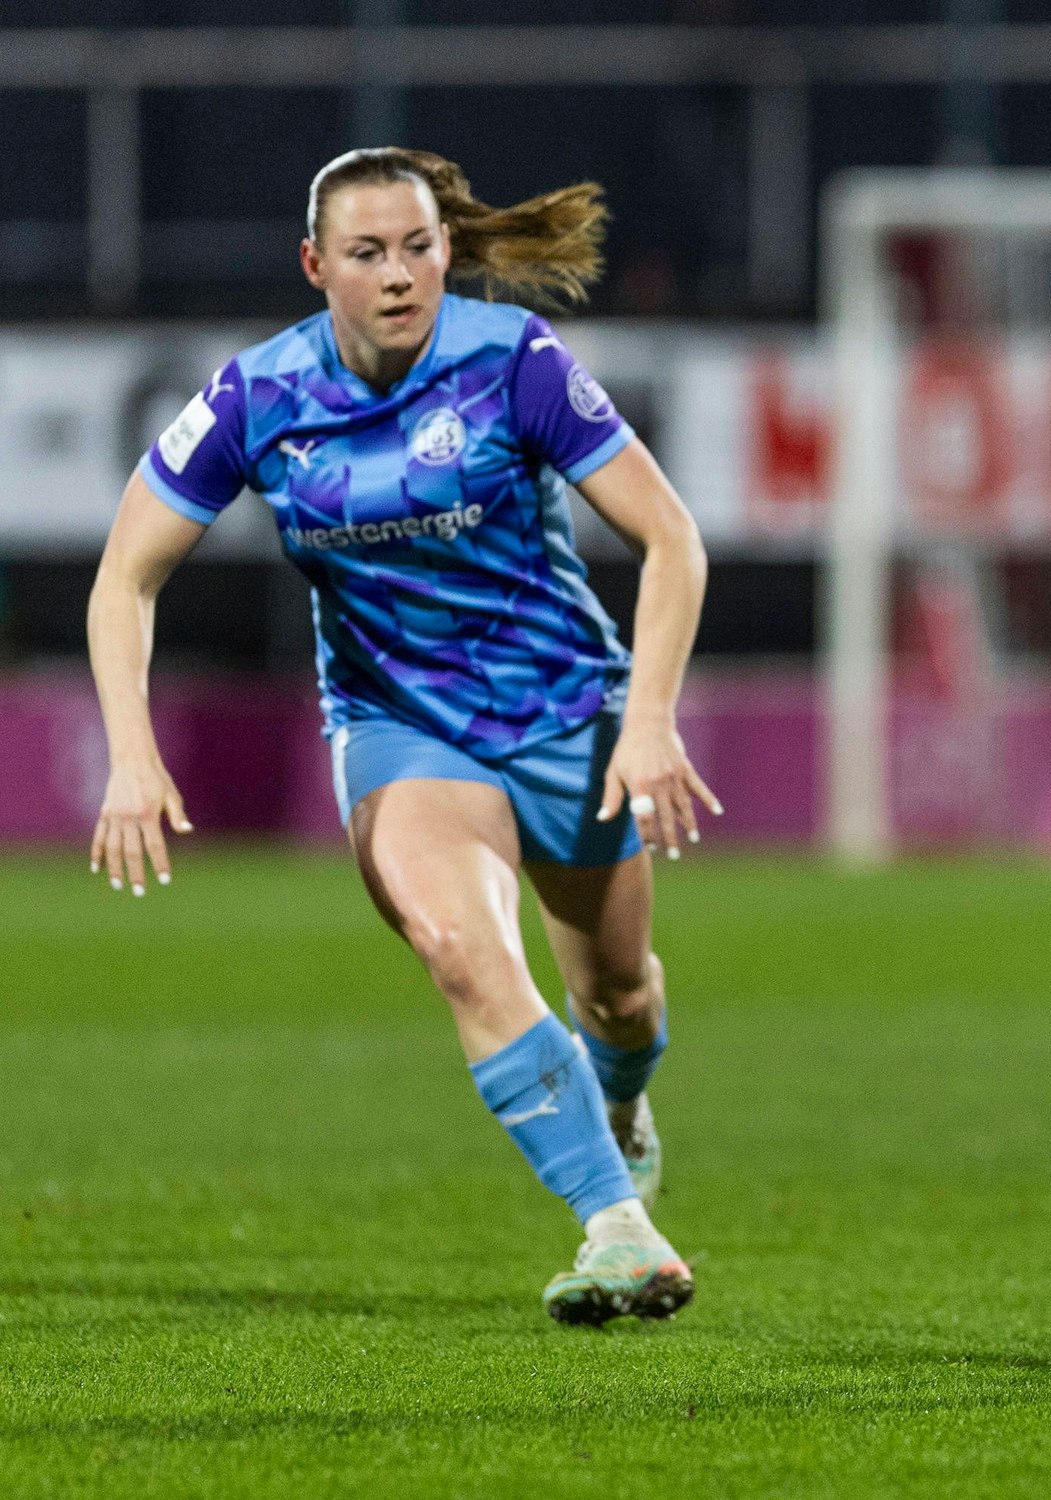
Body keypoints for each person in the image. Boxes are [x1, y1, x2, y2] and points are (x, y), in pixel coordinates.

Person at [86, 148, 721, 1326]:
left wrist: (646, 721)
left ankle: (622, 1105)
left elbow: (670, 538)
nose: (397, 275)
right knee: (458, 947)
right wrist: (131, 752)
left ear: (444, 252)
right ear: (314, 265)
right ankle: (617, 1228)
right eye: (367, 253)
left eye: (418, 248)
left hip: (563, 712)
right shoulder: (257, 396)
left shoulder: (512, 361)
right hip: (399, 725)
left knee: (619, 998)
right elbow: (125, 575)